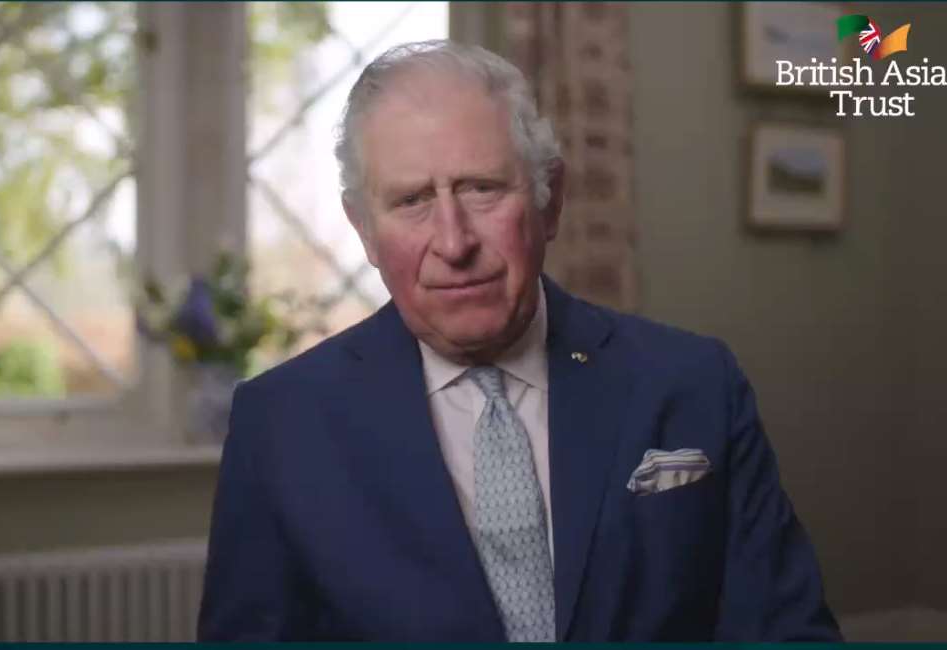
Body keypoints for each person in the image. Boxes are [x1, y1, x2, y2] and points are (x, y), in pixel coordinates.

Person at [198, 40, 841, 642]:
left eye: (481, 188)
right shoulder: (281, 425)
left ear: (550, 200)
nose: (453, 243)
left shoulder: (694, 383)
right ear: (364, 230)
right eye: (412, 200)